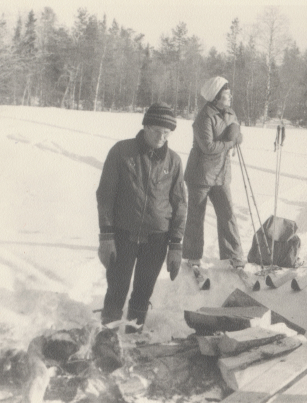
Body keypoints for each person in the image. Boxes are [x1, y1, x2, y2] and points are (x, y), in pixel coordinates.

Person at [96, 102, 187, 333]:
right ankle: (107, 341)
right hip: (123, 235)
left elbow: (179, 204)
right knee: (116, 290)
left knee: (143, 292)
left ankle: (134, 339)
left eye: (167, 133)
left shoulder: (174, 162)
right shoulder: (121, 152)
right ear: (145, 126)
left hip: (157, 239)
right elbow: (105, 195)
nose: (161, 137)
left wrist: (176, 245)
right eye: (157, 130)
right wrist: (106, 236)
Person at [182, 76, 245, 271]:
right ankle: (193, 257)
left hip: (221, 174)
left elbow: (237, 132)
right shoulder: (204, 117)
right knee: (196, 216)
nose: (230, 97)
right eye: (226, 94)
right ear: (216, 97)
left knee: (227, 215)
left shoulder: (229, 112)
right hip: (200, 175)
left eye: (229, 93)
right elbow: (208, 147)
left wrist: (236, 135)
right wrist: (231, 142)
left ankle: (234, 256)